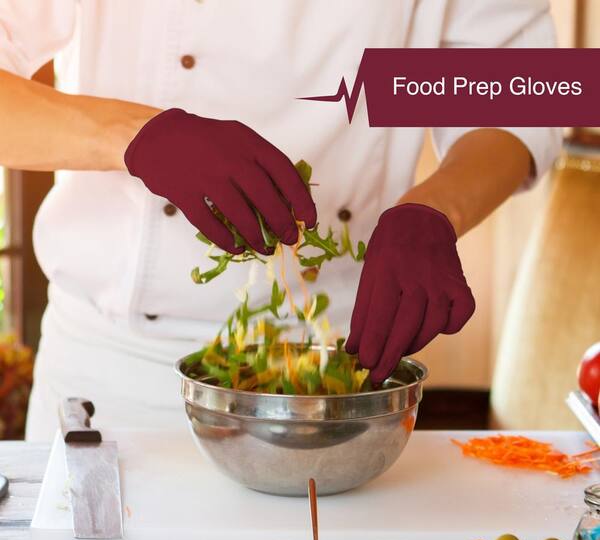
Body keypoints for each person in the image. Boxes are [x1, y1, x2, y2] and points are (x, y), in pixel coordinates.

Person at [0, 1, 561, 441]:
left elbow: (526, 90)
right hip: (115, 380)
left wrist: (435, 211)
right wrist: (136, 136)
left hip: (341, 379)